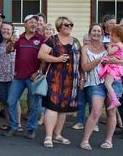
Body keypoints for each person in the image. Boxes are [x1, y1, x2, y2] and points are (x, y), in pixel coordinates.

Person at [78, 23, 123, 150]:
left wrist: (116, 61)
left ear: (102, 33)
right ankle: (85, 140)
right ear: (90, 33)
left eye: (99, 31)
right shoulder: (85, 48)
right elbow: (84, 67)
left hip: (113, 82)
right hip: (95, 83)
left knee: (111, 111)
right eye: (94, 31)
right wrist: (98, 60)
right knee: (96, 111)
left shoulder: (108, 46)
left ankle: (108, 140)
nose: (96, 33)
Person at [37, 16, 81, 148]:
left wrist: (82, 78)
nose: (69, 27)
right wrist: (58, 59)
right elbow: (41, 55)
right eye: (66, 25)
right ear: (59, 26)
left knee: (63, 109)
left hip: (71, 79)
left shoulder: (76, 42)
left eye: (71, 25)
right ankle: (48, 136)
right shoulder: (52, 40)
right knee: (52, 106)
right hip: (54, 78)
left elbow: (81, 60)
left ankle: (57, 135)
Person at [3, 14, 45, 139]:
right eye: (31, 22)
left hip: (34, 78)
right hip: (18, 77)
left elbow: (44, 58)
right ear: (25, 24)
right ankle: (14, 126)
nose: (34, 24)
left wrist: (38, 71)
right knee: (10, 102)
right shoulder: (19, 38)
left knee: (34, 105)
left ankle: (31, 129)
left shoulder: (41, 38)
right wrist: (11, 41)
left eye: (35, 23)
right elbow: (8, 51)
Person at [0, 22, 19, 131]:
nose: (5, 31)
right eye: (3, 29)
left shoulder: (16, 43)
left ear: (12, 31)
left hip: (12, 76)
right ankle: (8, 123)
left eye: (8, 29)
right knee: (4, 101)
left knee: (13, 101)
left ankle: (17, 124)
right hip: (0, 76)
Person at [98, 26, 123, 109]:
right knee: (108, 84)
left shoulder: (118, 44)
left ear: (118, 36)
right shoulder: (118, 44)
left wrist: (109, 45)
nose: (110, 37)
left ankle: (115, 101)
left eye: (111, 35)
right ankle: (113, 100)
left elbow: (110, 52)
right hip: (113, 66)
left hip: (114, 67)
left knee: (108, 84)